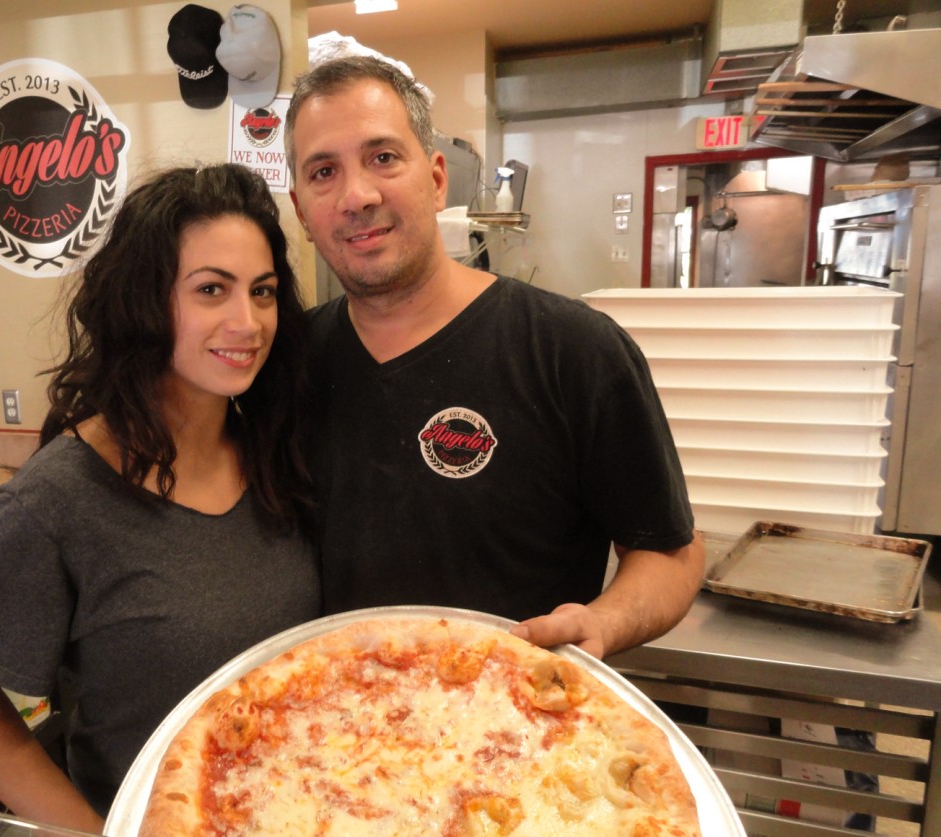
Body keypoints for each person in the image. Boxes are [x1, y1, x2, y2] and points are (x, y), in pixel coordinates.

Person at [0, 164, 320, 831]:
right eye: (211, 289)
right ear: (143, 301)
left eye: (264, 291)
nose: (247, 321)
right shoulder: (58, 499)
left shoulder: (273, 449)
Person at [285, 55, 704, 662]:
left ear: (434, 180)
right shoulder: (285, 367)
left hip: (517, 734)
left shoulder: (573, 351)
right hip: (332, 727)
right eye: (324, 171)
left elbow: (672, 552)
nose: (358, 195)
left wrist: (604, 622)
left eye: (382, 157)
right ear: (301, 211)